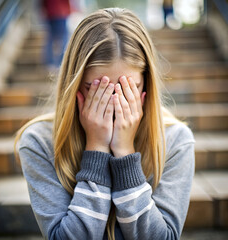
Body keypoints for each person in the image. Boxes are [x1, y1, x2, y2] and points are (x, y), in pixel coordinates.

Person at [15, 8, 195, 240]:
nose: (113, 104)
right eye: (97, 89)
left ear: (146, 85)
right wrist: (97, 148)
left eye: (128, 89)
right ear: (75, 83)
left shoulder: (175, 140)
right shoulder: (39, 141)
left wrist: (125, 156)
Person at [42, 0, 71, 67]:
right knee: (64, 38)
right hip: (61, 13)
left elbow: (43, 3)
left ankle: (49, 62)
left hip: (50, 14)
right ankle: (61, 61)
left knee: (50, 38)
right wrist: (69, 10)